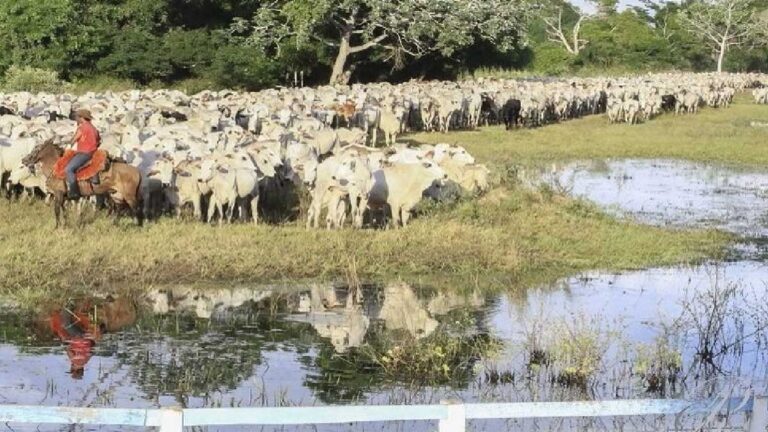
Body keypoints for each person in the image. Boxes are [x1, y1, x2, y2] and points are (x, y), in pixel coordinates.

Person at [66, 109, 100, 199]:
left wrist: (68, 144)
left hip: (84, 153)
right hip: (93, 152)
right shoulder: (93, 128)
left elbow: (73, 140)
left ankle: (74, 192)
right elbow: (99, 141)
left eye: (77, 117)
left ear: (82, 118)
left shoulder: (83, 128)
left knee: (68, 169)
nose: (76, 119)